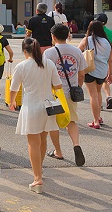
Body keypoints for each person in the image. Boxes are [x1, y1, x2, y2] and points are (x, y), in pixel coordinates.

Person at [9, 38, 63, 194]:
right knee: (42, 139)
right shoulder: (48, 64)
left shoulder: (22, 66)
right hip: (48, 106)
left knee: (33, 142)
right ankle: (39, 170)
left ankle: (37, 178)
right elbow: (58, 85)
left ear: (25, 51)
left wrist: (12, 102)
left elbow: (14, 89)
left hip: (31, 106)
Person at [43, 23, 86, 166]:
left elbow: (45, 74)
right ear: (68, 35)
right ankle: (76, 144)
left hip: (54, 94)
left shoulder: (49, 53)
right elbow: (81, 73)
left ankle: (58, 152)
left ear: (53, 37)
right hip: (71, 92)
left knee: (53, 123)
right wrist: (78, 86)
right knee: (71, 121)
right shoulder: (77, 51)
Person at [77, 20, 112, 129]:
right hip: (102, 72)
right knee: (98, 93)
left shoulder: (87, 40)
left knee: (93, 95)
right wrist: (110, 74)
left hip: (90, 70)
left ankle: (95, 121)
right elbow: (110, 60)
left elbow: (78, 52)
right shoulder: (107, 42)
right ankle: (99, 116)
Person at [93, 13, 112, 110]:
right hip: (106, 61)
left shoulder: (93, 32)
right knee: (105, 81)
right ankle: (108, 96)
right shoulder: (111, 33)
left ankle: (99, 105)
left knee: (96, 89)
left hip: (95, 62)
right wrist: (111, 67)